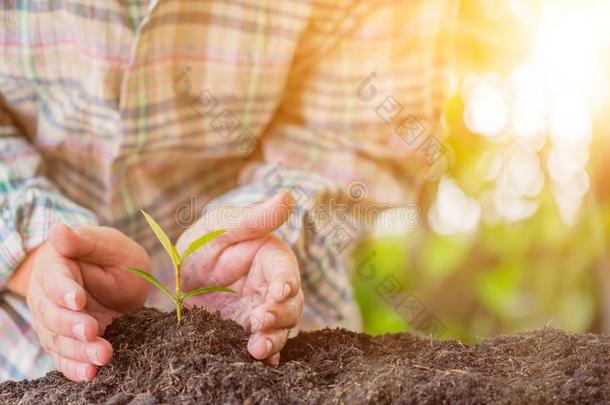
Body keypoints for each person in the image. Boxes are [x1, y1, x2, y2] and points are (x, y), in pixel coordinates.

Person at [0, 0, 454, 382]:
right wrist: (38, 251)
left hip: (258, 324)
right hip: (27, 334)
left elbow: (354, 138)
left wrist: (261, 224)